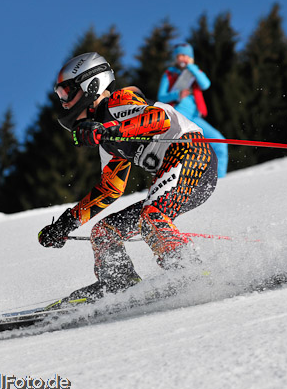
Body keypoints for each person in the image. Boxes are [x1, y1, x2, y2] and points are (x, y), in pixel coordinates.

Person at [38, 52, 218, 308]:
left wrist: (112, 130)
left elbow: (160, 118)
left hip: (192, 156)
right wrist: (66, 223)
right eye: (60, 97)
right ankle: (118, 283)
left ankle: (189, 271)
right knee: (104, 232)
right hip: (178, 178)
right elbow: (109, 189)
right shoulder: (107, 141)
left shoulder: (118, 101)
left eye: (66, 92)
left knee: (152, 215)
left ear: (92, 85)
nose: (64, 103)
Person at [157, 42, 228, 178]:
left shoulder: (194, 72)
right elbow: (161, 97)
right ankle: (174, 180)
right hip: (179, 116)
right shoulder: (169, 74)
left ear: (191, 58)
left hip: (195, 117)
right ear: (175, 58)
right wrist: (177, 95)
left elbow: (205, 84)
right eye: (179, 55)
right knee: (184, 152)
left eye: (185, 56)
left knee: (220, 143)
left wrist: (192, 68)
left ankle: (220, 179)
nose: (182, 58)